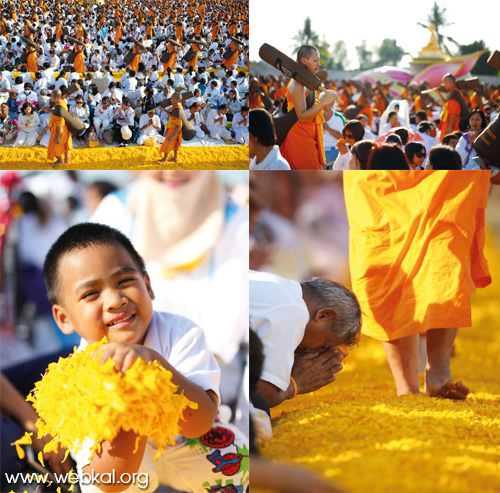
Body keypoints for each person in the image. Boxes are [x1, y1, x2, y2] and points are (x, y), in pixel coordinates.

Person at [42, 223, 248, 493]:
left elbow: (201, 422)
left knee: (236, 453)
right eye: (91, 293)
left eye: (124, 281)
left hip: (183, 440)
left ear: (148, 286)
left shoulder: (181, 334)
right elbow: (111, 480)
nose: (115, 300)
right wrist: (130, 394)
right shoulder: (77, 374)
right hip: (123, 460)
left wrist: (154, 367)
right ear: (64, 318)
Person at [343, 172, 492, 399]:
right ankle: (405, 385)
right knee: (384, 249)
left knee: (444, 240)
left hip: (445, 168)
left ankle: (438, 369)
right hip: (379, 169)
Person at [249, 270, 361, 408]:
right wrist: (296, 383)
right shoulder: (294, 311)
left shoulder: (281, 288)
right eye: (323, 346)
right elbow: (260, 396)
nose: (313, 352)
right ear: (324, 315)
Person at [279, 45, 337, 170]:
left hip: (309, 136)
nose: (319, 64)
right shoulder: (297, 83)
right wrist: (324, 102)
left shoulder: (307, 81)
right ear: (304, 61)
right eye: (315, 61)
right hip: (299, 137)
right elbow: (302, 116)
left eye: (318, 60)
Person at [436, 73, 469, 142]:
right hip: (451, 123)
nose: (444, 85)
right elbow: (447, 105)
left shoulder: (455, 94)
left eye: (445, 82)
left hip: (453, 124)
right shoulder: (454, 93)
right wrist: (439, 94)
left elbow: (454, 112)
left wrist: (449, 127)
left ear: (450, 82)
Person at [47, 89, 72, 166]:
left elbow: (60, 126)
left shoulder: (59, 109)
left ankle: (60, 160)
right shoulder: (63, 102)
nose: (50, 98)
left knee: (54, 147)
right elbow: (55, 112)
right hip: (66, 128)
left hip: (60, 130)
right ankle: (67, 160)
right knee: (66, 144)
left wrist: (58, 137)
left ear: (56, 98)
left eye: (51, 97)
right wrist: (47, 110)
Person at [158, 93, 183, 163]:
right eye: (171, 98)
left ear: (177, 100)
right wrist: (163, 109)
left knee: (167, 144)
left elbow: (180, 125)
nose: (170, 100)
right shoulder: (175, 107)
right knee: (174, 144)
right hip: (172, 127)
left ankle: (164, 158)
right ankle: (175, 157)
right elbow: (171, 114)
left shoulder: (178, 110)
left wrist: (172, 135)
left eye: (173, 99)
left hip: (174, 130)